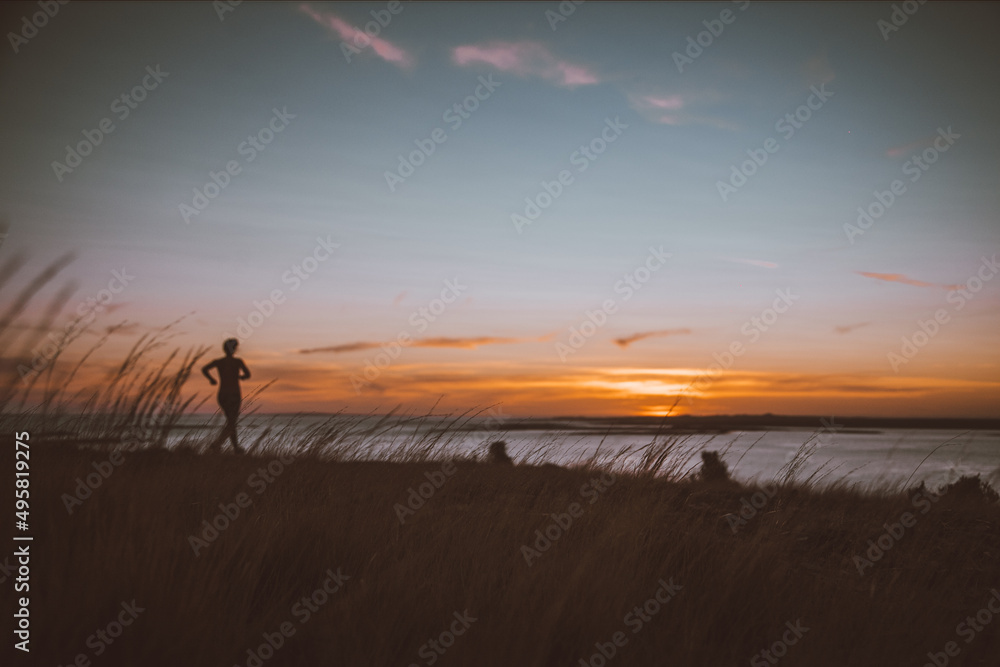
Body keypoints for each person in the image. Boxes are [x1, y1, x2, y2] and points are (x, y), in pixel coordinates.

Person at [202, 338, 251, 453]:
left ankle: (235, 448)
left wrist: (212, 379)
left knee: (231, 421)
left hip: (223, 394)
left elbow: (204, 369)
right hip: (234, 394)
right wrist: (241, 377)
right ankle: (217, 444)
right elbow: (248, 374)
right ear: (234, 349)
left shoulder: (219, 362)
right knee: (232, 421)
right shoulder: (238, 362)